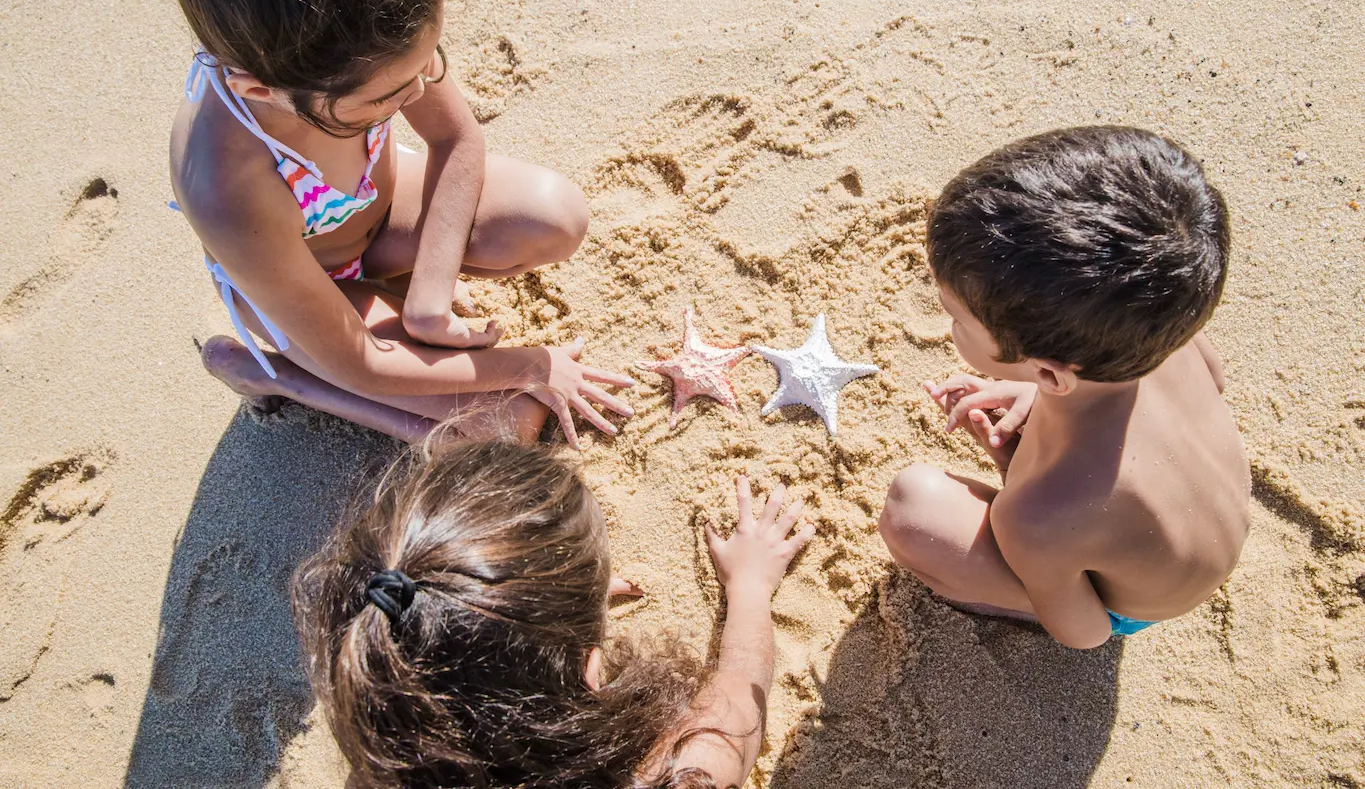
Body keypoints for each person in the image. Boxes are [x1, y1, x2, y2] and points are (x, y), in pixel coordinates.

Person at [166, 0, 633, 446]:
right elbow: (360, 360)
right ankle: (286, 378)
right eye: (383, 101)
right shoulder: (227, 187)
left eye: (424, 67)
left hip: (383, 214)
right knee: (504, 426)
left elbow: (456, 139)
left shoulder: (374, 33)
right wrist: (527, 365)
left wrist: (430, 301)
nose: (417, 94)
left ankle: (400, 297)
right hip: (311, 292)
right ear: (262, 90)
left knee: (555, 218)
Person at [879, 126, 1252, 648]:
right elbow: (1199, 394)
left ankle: (1029, 591)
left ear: (1053, 373)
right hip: (1194, 542)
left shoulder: (1037, 518)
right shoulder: (1163, 329)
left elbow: (1086, 634)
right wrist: (1036, 396)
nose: (951, 327)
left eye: (956, 319)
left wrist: (1038, 529)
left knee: (913, 510)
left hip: (1123, 609)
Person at [293, 438, 815, 788]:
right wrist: (749, 586)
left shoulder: (382, 733)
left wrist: (526, 612)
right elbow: (737, 701)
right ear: (590, 669)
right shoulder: (669, 777)